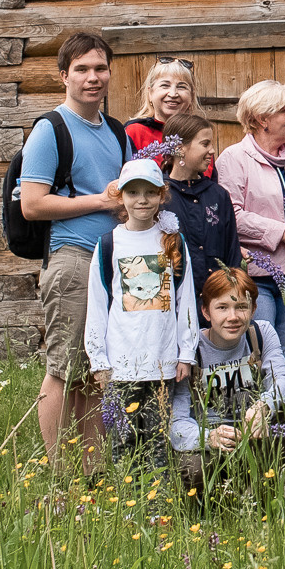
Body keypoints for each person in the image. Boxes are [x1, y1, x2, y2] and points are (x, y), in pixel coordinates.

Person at [18, 31, 133, 462]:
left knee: (92, 371)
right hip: (71, 260)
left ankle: (92, 468)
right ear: (64, 75)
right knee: (63, 370)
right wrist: (101, 201)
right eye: (82, 69)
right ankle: (58, 470)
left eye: (100, 68)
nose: (93, 77)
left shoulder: (116, 131)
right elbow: (32, 203)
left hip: (109, 263)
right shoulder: (51, 130)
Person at [83, 159, 199, 464]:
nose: (142, 199)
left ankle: (156, 507)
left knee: (158, 444)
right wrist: (98, 360)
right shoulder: (109, 244)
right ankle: (126, 506)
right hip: (122, 366)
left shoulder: (172, 242)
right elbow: (96, 303)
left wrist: (186, 353)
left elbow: (185, 300)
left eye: (150, 192)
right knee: (123, 443)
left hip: (162, 363)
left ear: (162, 195)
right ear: (121, 197)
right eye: (133, 192)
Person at [171, 267, 285, 499]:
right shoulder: (191, 351)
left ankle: (279, 491)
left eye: (241, 307)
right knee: (190, 464)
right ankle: (217, 506)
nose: (232, 317)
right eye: (222, 308)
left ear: (253, 309)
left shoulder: (260, 333)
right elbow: (177, 424)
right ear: (205, 311)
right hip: (215, 446)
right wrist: (209, 437)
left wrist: (264, 406)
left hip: (257, 438)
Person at [216, 80, 285, 338]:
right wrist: (284, 232)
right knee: (262, 348)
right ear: (263, 119)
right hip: (258, 277)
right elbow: (232, 216)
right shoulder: (233, 158)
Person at [162, 113, 240, 314]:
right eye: (205, 144)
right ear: (179, 148)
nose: (211, 151)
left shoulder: (218, 195)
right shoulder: (160, 195)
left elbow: (232, 255)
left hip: (214, 308)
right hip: (172, 307)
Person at [124, 57, 199, 162]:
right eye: (165, 85)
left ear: (191, 96)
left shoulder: (199, 135)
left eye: (181, 87)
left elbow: (209, 177)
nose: (173, 94)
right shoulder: (134, 132)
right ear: (150, 93)